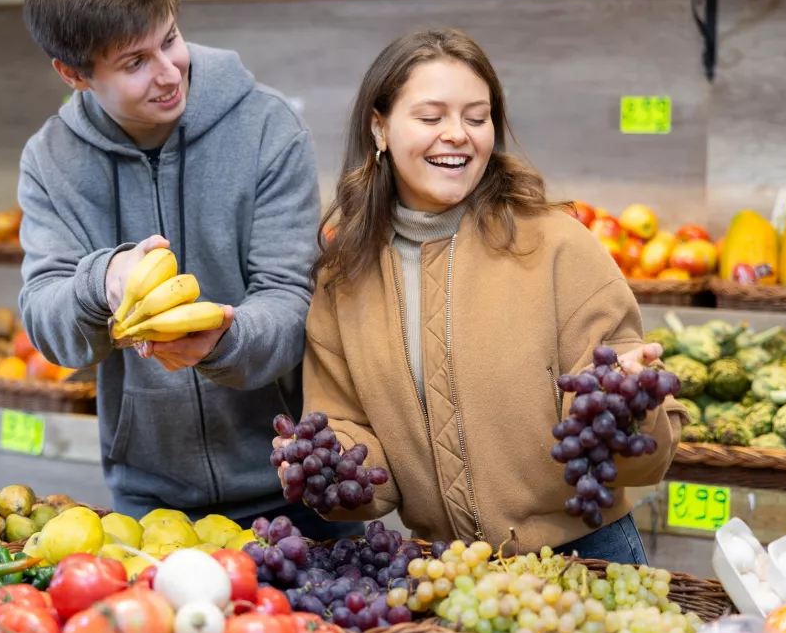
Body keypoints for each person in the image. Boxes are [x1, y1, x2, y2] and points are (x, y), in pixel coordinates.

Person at [291, 28, 688, 562]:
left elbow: (641, 456)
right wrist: (328, 468)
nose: (456, 134)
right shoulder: (346, 276)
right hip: (445, 575)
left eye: (476, 118)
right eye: (431, 117)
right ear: (379, 126)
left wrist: (627, 404)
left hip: (588, 558)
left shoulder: (556, 245)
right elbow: (351, 442)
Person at [16, 0, 360, 540]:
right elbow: (48, 324)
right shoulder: (51, 160)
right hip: (152, 501)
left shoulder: (265, 126)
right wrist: (105, 280)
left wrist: (227, 341)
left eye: (169, 39)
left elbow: (292, 298)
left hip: (301, 486)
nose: (170, 72)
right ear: (74, 74)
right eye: (134, 63)